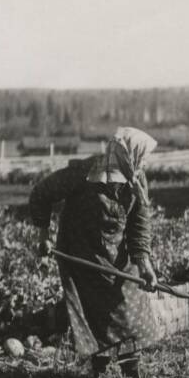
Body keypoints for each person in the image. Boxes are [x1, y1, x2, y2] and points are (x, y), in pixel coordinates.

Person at [29, 127, 160, 362]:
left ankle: (131, 369)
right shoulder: (82, 173)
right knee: (94, 314)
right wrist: (43, 235)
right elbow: (41, 193)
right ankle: (100, 373)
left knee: (129, 305)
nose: (144, 162)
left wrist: (144, 263)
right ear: (127, 154)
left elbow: (139, 223)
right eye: (142, 156)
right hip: (83, 254)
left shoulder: (137, 177)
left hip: (118, 253)